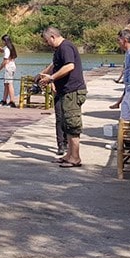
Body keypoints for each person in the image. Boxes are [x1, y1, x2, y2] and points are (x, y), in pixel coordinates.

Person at [37, 27, 86, 167]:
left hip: (73, 91)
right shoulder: (59, 49)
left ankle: (75, 157)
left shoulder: (66, 47)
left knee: (72, 124)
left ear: (53, 37)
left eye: (47, 41)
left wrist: (52, 78)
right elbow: (57, 67)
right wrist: (47, 77)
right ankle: (69, 154)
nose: (47, 44)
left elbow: (70, 66)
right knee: (66, 124)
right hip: (65, 92)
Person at [0, 34, 18, 107]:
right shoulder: (10, 47)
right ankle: (4, 100)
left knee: (9, 84)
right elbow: (1, 50)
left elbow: (5, 61)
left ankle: (12, 102)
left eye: (3, 41)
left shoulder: (7, 49)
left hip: (9, 67)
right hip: (11, 66)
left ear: (5, 41)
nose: (2, 42)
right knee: (6, 84)